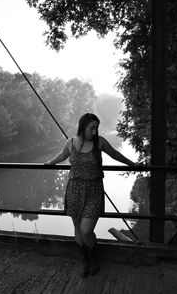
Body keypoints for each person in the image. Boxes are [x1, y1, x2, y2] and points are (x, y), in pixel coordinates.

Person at [45, 113, 135, 277]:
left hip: (94, 191)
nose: (94, 132)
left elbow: (115, 154)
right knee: (78, 229)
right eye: (91, 128)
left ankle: (94, 258)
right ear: (82, 127)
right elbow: (62, 155)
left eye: (96, 128)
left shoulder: (99, 142)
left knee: (86, 230)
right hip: (74, 190)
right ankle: (85, 261)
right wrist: (50, 162)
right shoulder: (71, 142)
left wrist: (133, 164)